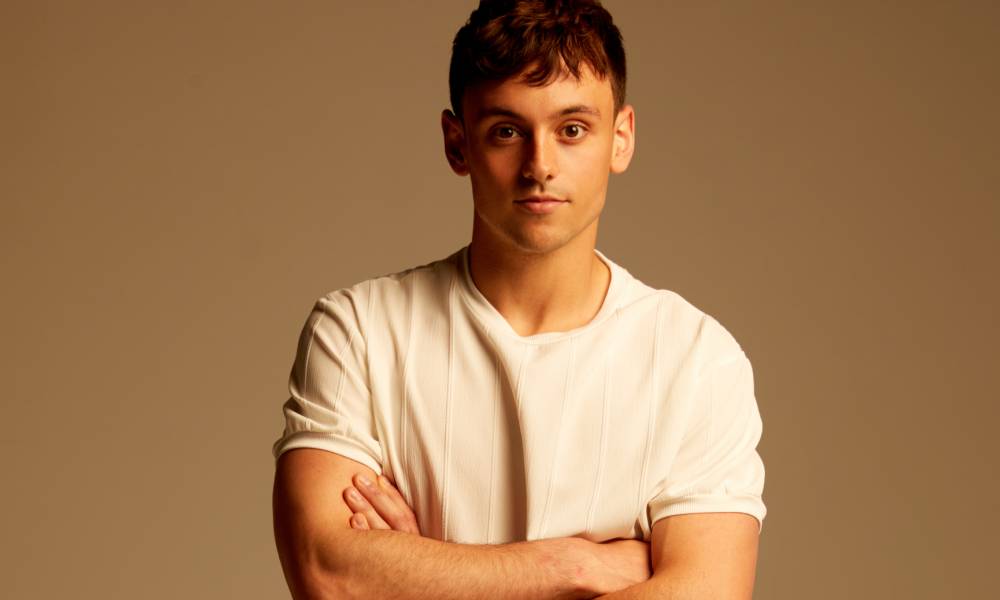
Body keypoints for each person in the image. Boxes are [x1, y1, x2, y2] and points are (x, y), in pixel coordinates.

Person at [271, 0, 767, 597]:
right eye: (506, 131)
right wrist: (572, 567)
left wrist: (422, 575)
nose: (540, 166)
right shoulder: (358, 331)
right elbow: (329, 574)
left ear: (621, 138)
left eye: (572, 129)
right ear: (458, 144)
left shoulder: (697, 359)